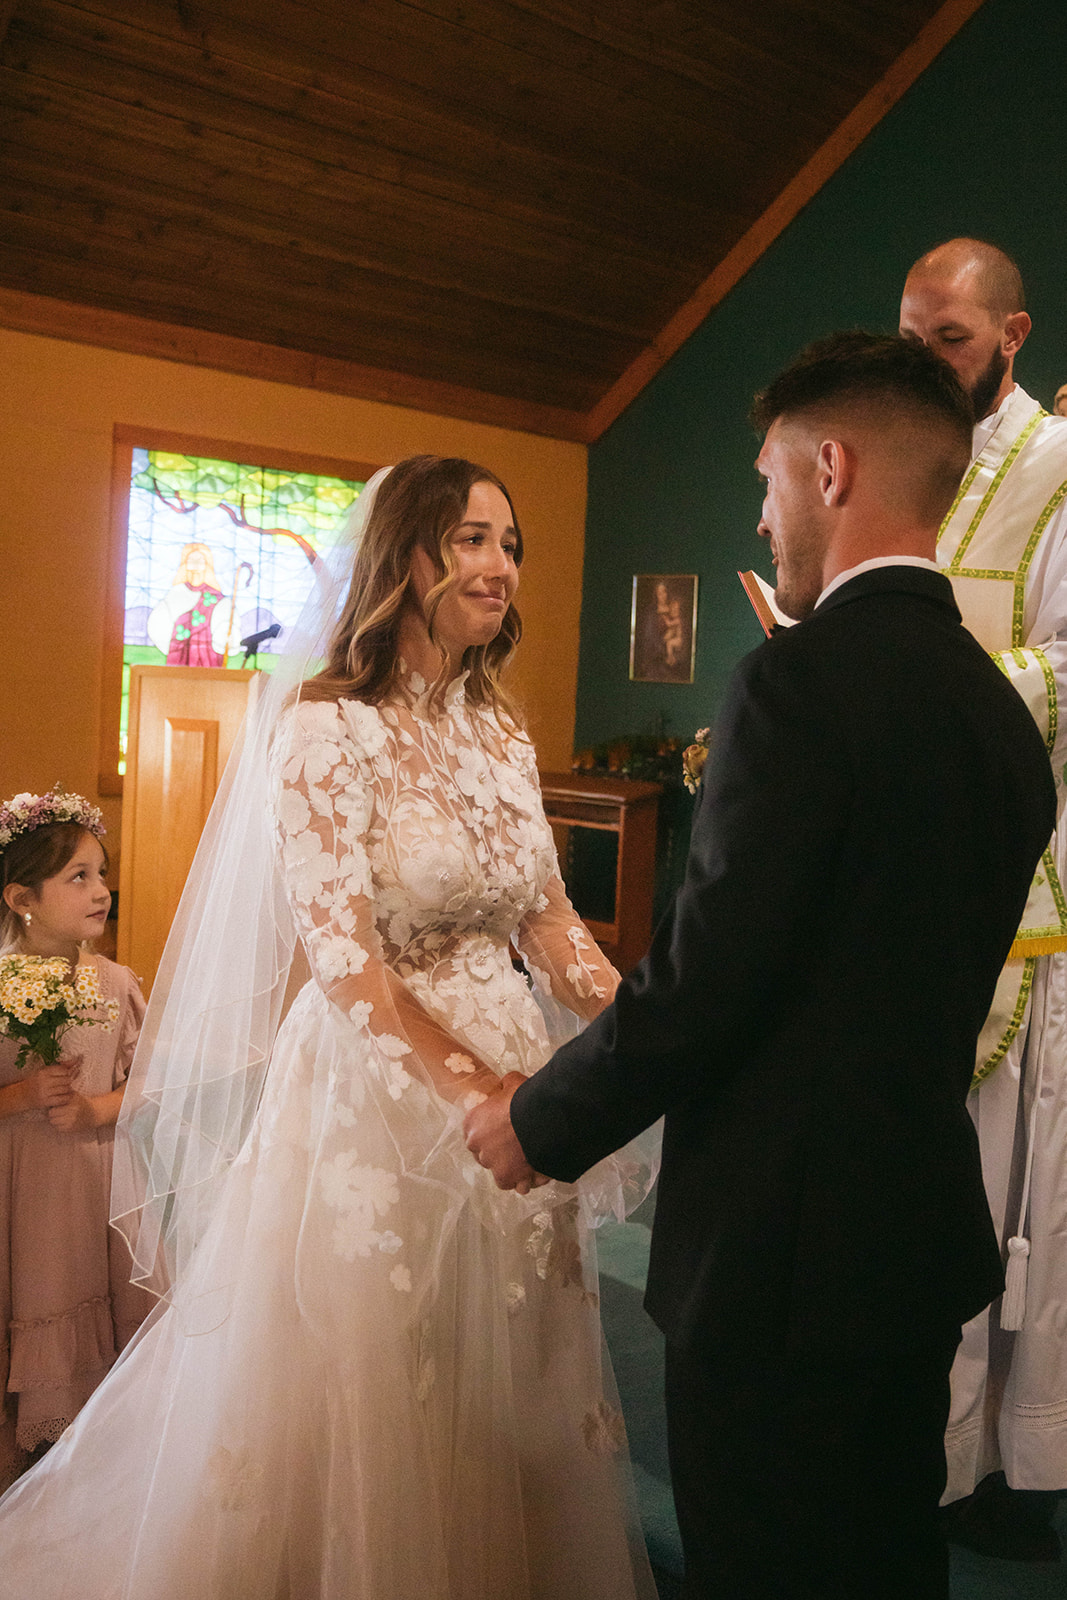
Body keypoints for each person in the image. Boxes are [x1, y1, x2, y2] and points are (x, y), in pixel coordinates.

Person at [0, 457, 658, 1600]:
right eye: (467, 538)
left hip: (517, 1074)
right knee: (377, 1378)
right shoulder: (324, 727)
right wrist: (466, 1090)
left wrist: (644, 1028)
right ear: (401, 555)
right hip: (375, 1091)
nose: (497, 564)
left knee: (510, 1370)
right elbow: (343, 952)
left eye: (509, 542)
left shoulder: (500, 732)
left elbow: (548, 922)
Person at [466, 333, 1057, 1600]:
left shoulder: (793, 686)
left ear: (829, 469)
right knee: (887, 1558)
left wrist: (540, 1116)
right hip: (908, 1236)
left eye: (767, 479)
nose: (760, 511)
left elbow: (701, 984)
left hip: (774, 1260)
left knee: (762, 1564)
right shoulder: (1001, 715)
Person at [899, 238, 1067, 1549]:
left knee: (1004, 1183)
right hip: (899, 860)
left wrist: (927, 679)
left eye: (946, 340)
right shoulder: (904, 455)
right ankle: (913, 1439)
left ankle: (1002, 1459)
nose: (921, 361)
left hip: (1022, 873)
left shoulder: (1056, 469)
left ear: (1007, 334)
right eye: (909, 335)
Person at [0, 789, 154, 1491]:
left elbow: (153, 1090)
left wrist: (96, 1112)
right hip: (16, 1190)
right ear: (21, 898)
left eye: (102, 873)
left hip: (91, 1193)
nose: (102, 891)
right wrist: (23, 1096)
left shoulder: (117, 984)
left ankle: (79, 1475)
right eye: (79, 878)